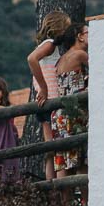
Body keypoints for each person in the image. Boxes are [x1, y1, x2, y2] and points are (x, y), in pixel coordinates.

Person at [27, 11, 72, 181]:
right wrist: (44, 88)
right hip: (50, 99)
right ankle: (59, 186)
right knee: (58, 147)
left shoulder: (49, 46)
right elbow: (31, 59)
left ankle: (51, 186)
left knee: (50, 147)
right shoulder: (50, 45)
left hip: (45, 103)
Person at [51, 23, 90, 187]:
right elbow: (103, 70)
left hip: (59, 113)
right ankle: (85, 202)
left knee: (62, 159)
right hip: (75, 111)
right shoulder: (81, 54)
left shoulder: (62, 58)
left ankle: (63, 205)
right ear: (80, 36)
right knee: (80, 159)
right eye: (88, 32)